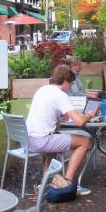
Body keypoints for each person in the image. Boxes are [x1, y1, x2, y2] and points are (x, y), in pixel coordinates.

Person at [25, 64, 93, 201]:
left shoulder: (43, 90)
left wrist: (59, 116)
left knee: (55, 139)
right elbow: (79, 121)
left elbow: (47, 113)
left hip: (28, 139)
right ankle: (67, 181)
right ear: (65, 81)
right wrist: (89, 115)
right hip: (41, 141)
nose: (71, 86)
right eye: (71, 82)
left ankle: (46, 180)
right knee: (84, 141)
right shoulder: (60, 95)